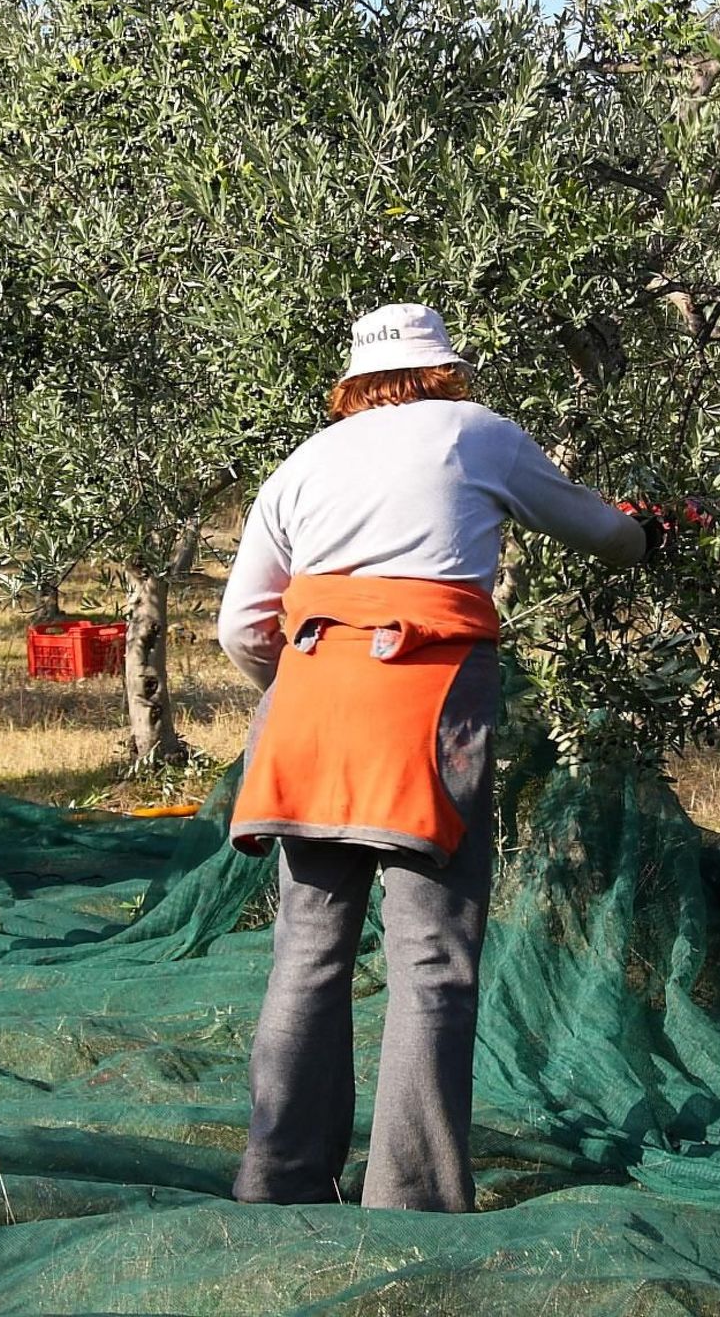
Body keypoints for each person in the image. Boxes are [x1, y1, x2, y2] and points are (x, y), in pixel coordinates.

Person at [218, 302, 648, 1213]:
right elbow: (604, 535)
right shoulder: (475, 434)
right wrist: (645, 533)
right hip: (424, 711)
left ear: (354, 384)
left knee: (308, 945)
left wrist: (298, 688)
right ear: (443, 370)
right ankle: (410, 1198)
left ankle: (280, 1179)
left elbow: (241, 626)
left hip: (308, 716)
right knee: (431, 957)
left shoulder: (304, 463)